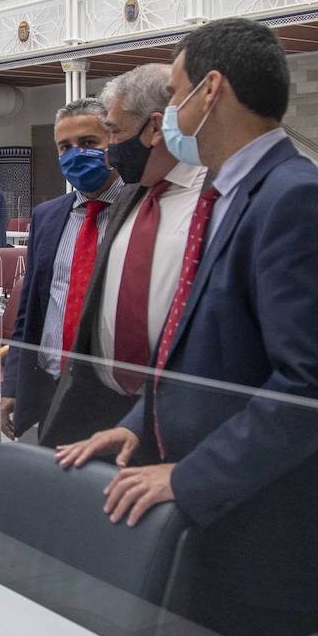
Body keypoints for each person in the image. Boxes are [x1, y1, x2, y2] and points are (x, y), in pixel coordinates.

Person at [55, 18, 318, 636]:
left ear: (210, 91)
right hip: (227, 512)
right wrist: (140, 423)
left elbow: (309, 386)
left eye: (175, 93)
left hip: (276, 529)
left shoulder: (296, 200)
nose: (167, 117)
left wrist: (189, 476)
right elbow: (204, 343)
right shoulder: (230, 193)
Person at [41, 65, 208, 447]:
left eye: (111, 133)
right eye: (65, 146)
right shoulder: (133, 196)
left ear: (153, 128)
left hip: (178, 414)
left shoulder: (217, 199)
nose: (109, 149)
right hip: (97, 401)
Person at [0, 99, 122, 441]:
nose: (76, 154)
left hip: (117, 392)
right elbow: (31, 310)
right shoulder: (48, 215)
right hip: (53, 387)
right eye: (65, 146)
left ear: (113, 142)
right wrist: (13, 383)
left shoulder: (140, 209)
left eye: (88, 143)